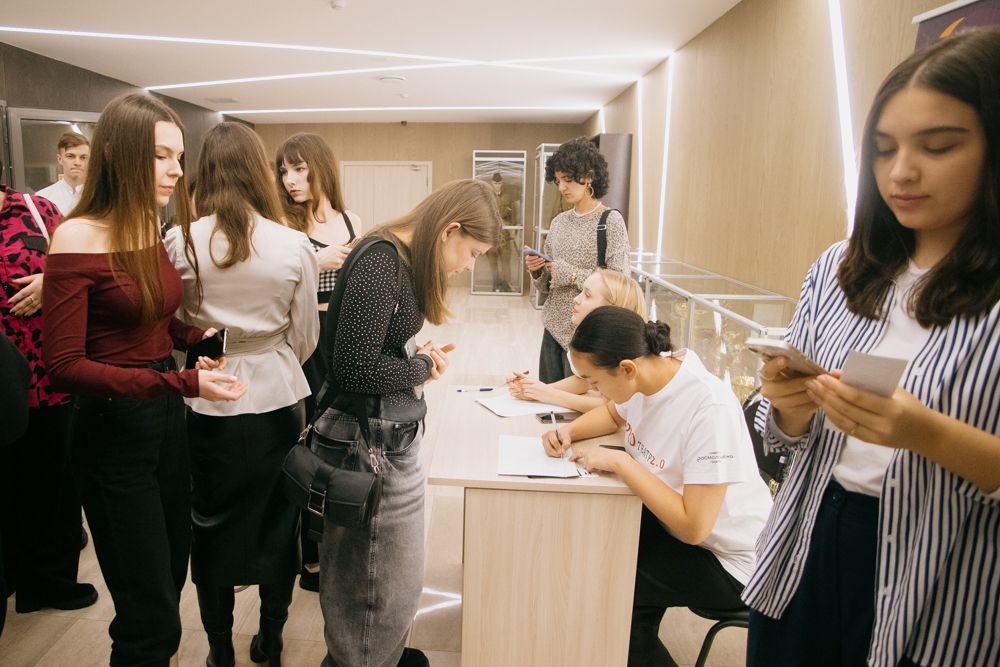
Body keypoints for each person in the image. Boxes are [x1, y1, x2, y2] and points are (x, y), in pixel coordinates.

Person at [743, 28, 1000, 667]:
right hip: (807, 536)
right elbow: (784, 435)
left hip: (944, 567)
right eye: (883, 150)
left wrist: (927, 434)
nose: (901, 171)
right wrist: (789, 407)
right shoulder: (840, 268)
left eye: (938, 146)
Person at [43, 92, 247, 666]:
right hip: (112, 432)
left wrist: (194, 338)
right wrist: (181, 384)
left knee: (170, 574)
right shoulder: (77, 236)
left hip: (163, 421)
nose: (177, 170)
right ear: (116, 153)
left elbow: (152, 320)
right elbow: (65, 366)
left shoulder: (144, 225)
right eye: (161, 156)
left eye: (178, 156)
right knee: (148, 615)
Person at [316, 178, 501, 667]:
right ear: (450, 230)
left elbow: (373, 348)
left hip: (384, 436)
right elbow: (353, 368)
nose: (469, 265)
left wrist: (411, 354)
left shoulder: (395, 259)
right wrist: (418, 367)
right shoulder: (382, 260)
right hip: (368, 443)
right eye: (472, 252)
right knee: (376, 583)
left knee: (391, 582)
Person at [165, 122, 320, 667]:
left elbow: (172, 321)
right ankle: (271, 641)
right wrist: (271, 358)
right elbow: (305, 334)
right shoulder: (292, 243)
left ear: (204, 171)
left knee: (209, 522)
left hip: (206, 394)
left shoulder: (181, 240)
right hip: (277, 392)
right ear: (260, 171)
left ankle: (218, 650)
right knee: (280, 519)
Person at [542, 306, 772, 666]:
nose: (594, 390)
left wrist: (622, 463)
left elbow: (695, 527)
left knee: (611, 581)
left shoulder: (707, 407)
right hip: (679, 531)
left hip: (733, 563)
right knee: (596, 541)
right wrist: (567, 431)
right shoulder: (646, 377)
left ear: (626, 369)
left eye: (595, 382)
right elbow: (613, 413)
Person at [0, 183, 97, 617]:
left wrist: (49, 282)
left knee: (53, 485)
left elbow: (81, 270)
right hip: (3, 380)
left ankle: (48, 583)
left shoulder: (38, 210)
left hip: (47, 373)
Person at [275, 132, 361, 591]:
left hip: (344, 335)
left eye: (299, 169)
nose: (290, 180)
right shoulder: (281, 224)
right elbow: (278, 286)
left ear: (321, 167)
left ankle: (339, 545)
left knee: (343, 437)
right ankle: (307, 554)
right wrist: (316, 260)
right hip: (307, 336)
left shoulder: (351, 220)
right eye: (284, 171)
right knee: (309, 437)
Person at [527, 137, 629, 383]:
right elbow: (546, 286)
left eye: (568, 179)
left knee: (577, 402)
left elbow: (619, 284)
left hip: (587, 332)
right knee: (548, 400)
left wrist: (571, 274)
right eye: (558, 180)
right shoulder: (558, 222)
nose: (562, 187)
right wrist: (538, 271)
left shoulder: (610, 222)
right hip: (552, 329)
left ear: (589, 176)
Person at [507, 268, 647, 412]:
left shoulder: (622, 351)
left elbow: (613, 408)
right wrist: (534, 390)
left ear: (611, 309)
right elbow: (584, 381)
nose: (576, 299)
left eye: (587, 295)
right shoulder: (590, 339)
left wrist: (548, 394)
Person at [35, 131, 90, 217]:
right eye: (70, 156)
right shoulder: (43, 197)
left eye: (83, 157)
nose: (77, 162)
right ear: (60, 159)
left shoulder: (100, 198)